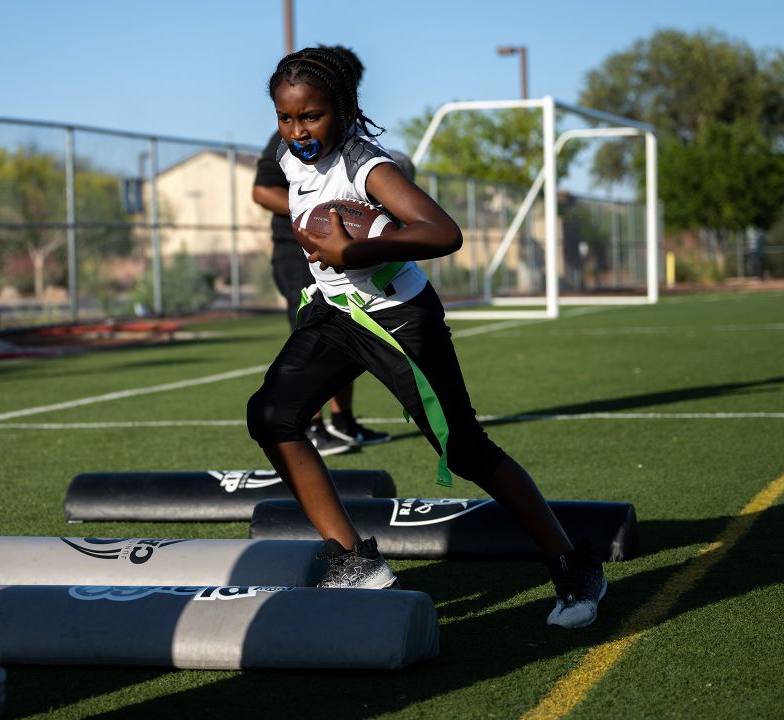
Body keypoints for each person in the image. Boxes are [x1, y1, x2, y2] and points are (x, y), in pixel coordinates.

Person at [245, 47, 607, 628]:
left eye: (309, 116)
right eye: (286, 119)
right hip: (336, 314)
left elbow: (444, 232)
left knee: (464, 449)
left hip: (398, 317)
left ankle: (573, 565)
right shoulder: (292, 164)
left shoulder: (368, 166)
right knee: (270, 416)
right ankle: (353, 560)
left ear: (341, 108)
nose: (297, 130)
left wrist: (355, 249)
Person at [252, 45, 391, 458]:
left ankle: (343, 423)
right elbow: (261, 190)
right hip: (297, 250)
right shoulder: (292, 136)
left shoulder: (351, 143)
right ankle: (310, 425)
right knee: (314, 336)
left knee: (350, 330)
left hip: (342, 251)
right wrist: (313, 215)